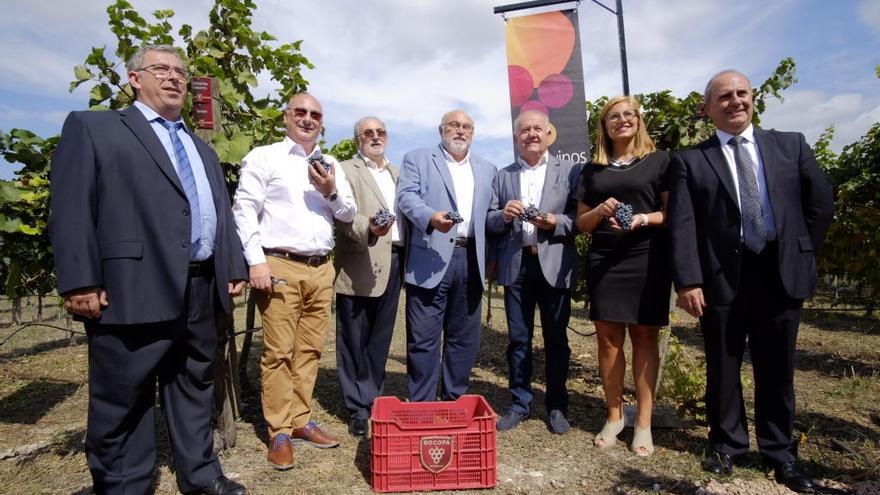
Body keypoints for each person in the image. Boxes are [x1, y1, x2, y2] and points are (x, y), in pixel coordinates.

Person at [49, 44, 248, 495]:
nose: (175, 77)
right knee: (124, 393)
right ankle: (124, 483)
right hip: (130, 286)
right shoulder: (95, 128)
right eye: (162, 69)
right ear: (134, 78)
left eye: (181, 71)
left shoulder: (201, 149)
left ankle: (201, 475)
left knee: (194, 385)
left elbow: (220, 213)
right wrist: (81, 278)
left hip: (199, 288)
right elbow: (71, 206)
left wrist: (230, 265)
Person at [668, 70, 834, 492]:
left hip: (779, 274)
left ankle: (780, 453)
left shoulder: (790, 145)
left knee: (777, 368)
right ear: (708, 109)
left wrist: (799, 252)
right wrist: (688, 281)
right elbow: (683, 225)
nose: (735, 101)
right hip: (721, 279)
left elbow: (820, 203)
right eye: (724, 96)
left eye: (742, 93)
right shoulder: (690, 160)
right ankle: (727, 445)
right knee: (722, 366)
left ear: (753, 98)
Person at [232, 93, 356, 469]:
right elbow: (244, 210)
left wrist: (329, 190)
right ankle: (279, 431)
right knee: (279, 352)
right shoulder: (264, 157)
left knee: (310, 350)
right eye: (300, 112)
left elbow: (348, 212)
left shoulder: (330, 164)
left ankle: (300, 420)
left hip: (321, 268)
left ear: (322, 122)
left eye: (315, 114)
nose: (307, 119)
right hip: (280, 264)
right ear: (286, 117)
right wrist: (255, 263)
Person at [574, 95, 671, 457]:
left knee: (645, 337)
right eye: (613, 116)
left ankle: (643, 422)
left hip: (646, 258)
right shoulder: (592, 170)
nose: (622, 120)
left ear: (638, 120)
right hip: (605, 260)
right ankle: (614, 416)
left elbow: (671, 214)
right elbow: (581, 225)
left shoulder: (659, 161)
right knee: (608, 341)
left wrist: (643, 219)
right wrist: (599, 210)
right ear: (604, 126)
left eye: (628, 114)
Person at [486, 110, 581, 434]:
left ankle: (556, 406)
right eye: (524, 130)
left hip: (553, 264)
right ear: (516, 138)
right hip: (517, 264)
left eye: (537, 129)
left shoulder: (570, 171)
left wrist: (555, 222)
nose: (531, 134)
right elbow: (489, 219)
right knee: (519, 340)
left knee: (557, 339)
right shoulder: (503, 175)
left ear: (548, 133)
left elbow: (579, 219)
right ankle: (519, 403)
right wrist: (504, 216)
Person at [396, 109, 497, 402]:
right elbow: (407, 197)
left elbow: (490, 214)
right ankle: (422, 404)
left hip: (471, 258)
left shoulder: (487, 168)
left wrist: (504, 217)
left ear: (473, 133)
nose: (460, 131)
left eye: (467, 126)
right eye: (454, 125)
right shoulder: (418, 158)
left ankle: (454, 401)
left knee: (463, 338)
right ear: (441, 129)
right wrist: (430, 217)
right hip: (430, 257)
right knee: (424, 338)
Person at [333, 117, 403, 437]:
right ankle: (356, 408)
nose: (375, 137)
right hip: (360, 259)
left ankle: (372, 396)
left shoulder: (396, 172)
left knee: (379, 336)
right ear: (357, 139)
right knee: (353, 337)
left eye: (380, 132)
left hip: (395, 261)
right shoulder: (347, 170)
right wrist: (370, 229)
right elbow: (343, 215)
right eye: (368, 133)